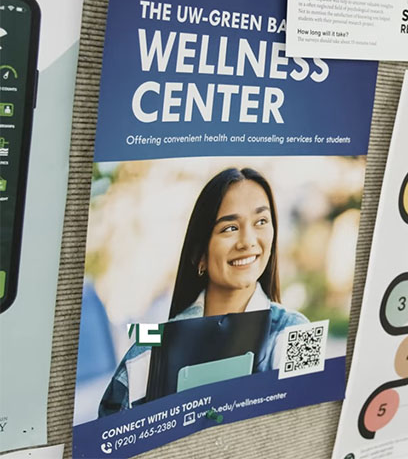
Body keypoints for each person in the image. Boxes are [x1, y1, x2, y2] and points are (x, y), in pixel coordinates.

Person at [99, 168, 308, 415]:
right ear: (200, 256)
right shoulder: (148, 349)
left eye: (261, 222)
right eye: (230, 227)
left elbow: (305, 429)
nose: (248, 241)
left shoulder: (295, 333)